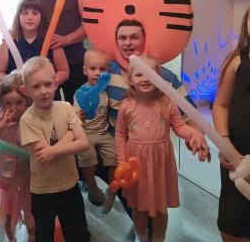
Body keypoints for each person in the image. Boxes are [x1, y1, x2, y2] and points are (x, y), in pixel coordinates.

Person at [115, 56, 206, 242]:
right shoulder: (126, 106)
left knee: (160, 207)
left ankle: (159, 238)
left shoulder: (167, 102)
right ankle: (141, 237)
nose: (145, 78)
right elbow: (120, 134)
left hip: (160, 165)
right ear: (130, 79)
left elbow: (179, 126)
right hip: (135, 165)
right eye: (139, 74)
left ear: (159, 77)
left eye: (150, 74)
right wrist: (122, 161)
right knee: (138, 206)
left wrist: (194, 134)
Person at [19, 56, 90, 242]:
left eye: (48, 84)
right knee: (44, 236)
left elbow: (84, 144)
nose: (43, 91)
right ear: (26, 91)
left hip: (70, 185)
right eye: (36, 86)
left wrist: (52, 150)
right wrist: (71, 134)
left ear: (56, 84)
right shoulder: (27, 119)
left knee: (79, 235)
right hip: (42, 192)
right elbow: (44, 156)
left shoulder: (66, 108)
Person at [27, 0, 86, 103]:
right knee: (46, 111)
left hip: (75, 63)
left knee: (77, 109)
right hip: (43, 66)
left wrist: (66, 39)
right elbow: (23, 26)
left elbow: (91, 26)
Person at [213, 7, 250, 242]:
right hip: (236, 154)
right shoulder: (237, 60)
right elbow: (221, 105)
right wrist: (224, 142)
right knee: (233, 219)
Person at [0, 73, 34, 242]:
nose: (14, 108)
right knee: (8, 211)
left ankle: (32, 236)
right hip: (6, 177)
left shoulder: (31, 116)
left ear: (27, 101)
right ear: (1, 102)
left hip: (28, 175)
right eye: (8, 103)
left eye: (19, 103)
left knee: (30, 209)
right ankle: (12, 239)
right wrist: (2, 125)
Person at [0, 0, 69, 99]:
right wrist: (13, 82)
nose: (29, 17)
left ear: (41, 16)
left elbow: (64, 71)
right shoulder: (8, 44)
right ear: (18, 16)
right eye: (25, 13)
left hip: (47, 99)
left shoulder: (52, 42)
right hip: (19, 100)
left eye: (34, 13)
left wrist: (48, 83)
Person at [73, 48, 116, 206]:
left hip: (104, 132)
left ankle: (113, 188)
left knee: (115, 156)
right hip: (86, 133)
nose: (98, 73)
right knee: (87, 157)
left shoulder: (106, 92)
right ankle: (92, 187)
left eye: (102, 69)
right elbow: (75, 117)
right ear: (85, 70)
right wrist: (80, 115)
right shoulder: (81, 93)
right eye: (93, 68)